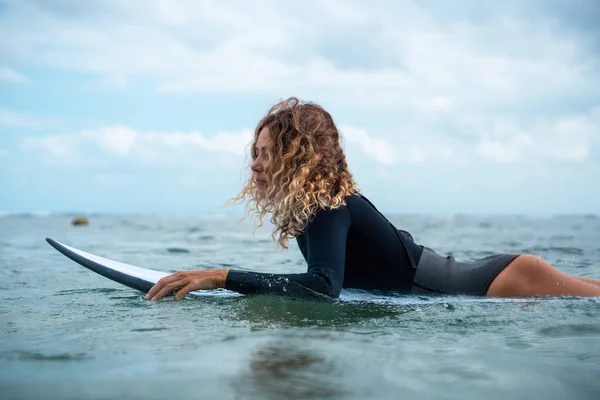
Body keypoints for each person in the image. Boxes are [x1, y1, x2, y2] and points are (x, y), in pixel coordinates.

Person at [145, 97, 600, 301]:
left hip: (503, 285)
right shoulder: (317, 208)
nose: (256, 166)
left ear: (294, 156)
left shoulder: (328, 204)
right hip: (494, 276)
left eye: (266, 155)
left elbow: (324, 288)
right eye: (255, 154)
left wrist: (221, 277)